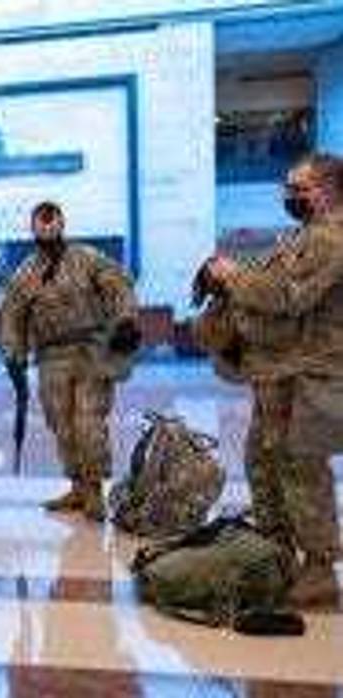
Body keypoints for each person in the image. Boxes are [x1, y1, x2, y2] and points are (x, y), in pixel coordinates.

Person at [200, 154, 343, 608]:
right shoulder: (302, 237)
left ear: (328, 190)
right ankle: (278, 555)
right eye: (288, 187)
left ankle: (319, 568)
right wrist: (226, 281)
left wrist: (233, 276)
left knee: (301, 468)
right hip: (276, 371)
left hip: (308, 372)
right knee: (263, 463)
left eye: (299, 188)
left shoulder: (331, 239)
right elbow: (269, 283)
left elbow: (288, 296)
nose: (289, 196)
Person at [0, 201, 139, 521]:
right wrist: (13, 353)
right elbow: (12, 316)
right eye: (41, 222)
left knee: (88, 423)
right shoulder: (26, 273)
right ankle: (77, 486)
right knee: (61, 425)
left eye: (52, 221)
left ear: (62, 224)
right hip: (51, 358)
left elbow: (119, 286)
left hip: (92, 352)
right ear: (33, 228)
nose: (47, 227)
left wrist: (126, 319)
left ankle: (94, 491)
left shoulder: (87, 258)